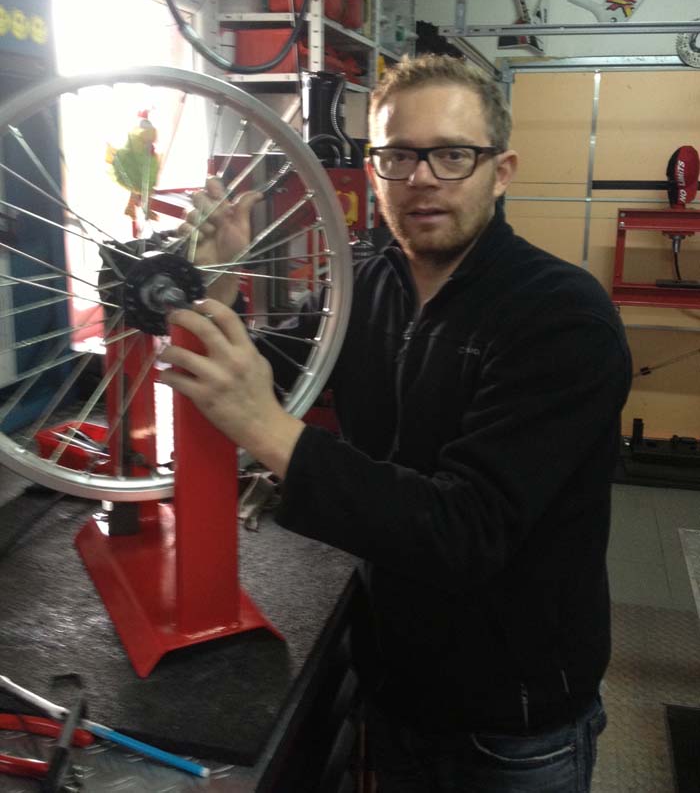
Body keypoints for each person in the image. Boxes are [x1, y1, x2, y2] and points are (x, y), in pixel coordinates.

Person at [159, 55, 632, 793]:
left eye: (453, 154)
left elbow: (463, 527)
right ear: (373, 168)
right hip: (395, 682)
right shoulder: (365, 282)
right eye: (398, 155)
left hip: (513, 724)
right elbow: (269, 368)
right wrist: (222, 278)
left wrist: (270, 431)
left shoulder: (563, 319)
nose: (422, 177)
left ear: (500, 170)